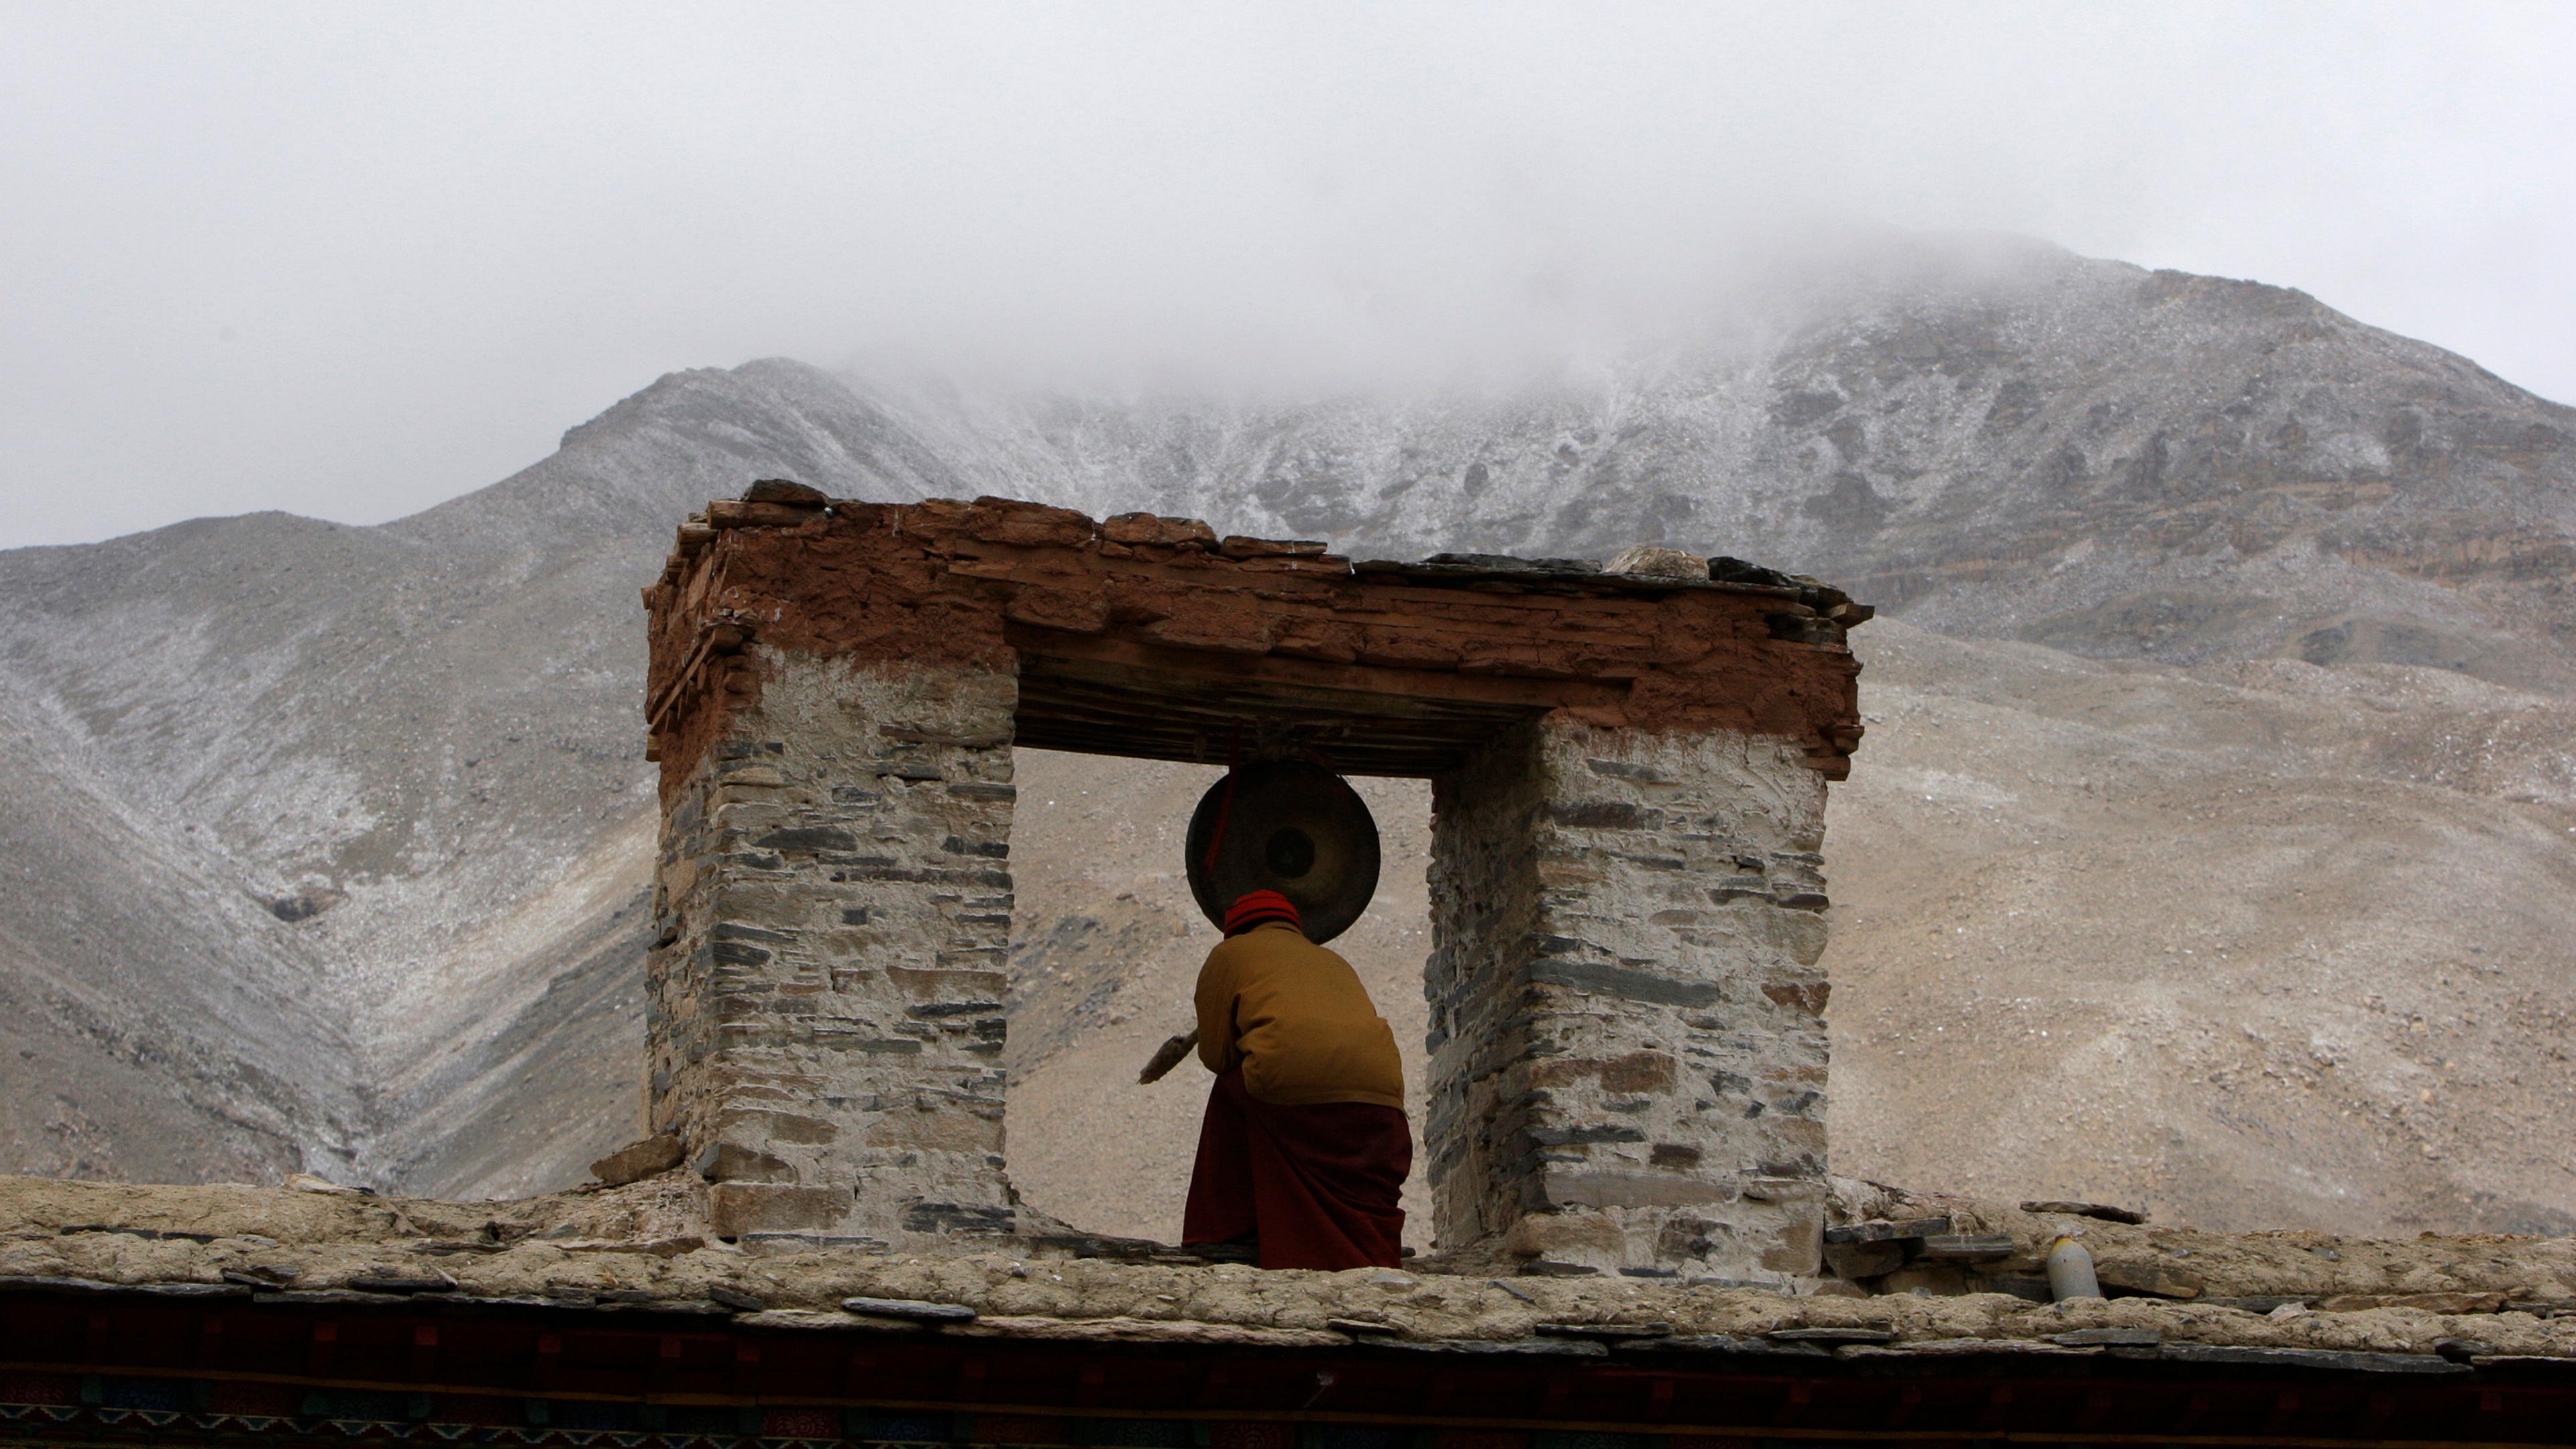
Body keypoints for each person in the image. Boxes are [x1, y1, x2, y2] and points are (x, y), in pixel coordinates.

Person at [1180, 889, 1411, 1270]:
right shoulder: (1332, 960)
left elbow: (1216, 1056)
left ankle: (1222, 1232)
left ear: (1233, 929)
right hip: (1381, 1106)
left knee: (1231, 1088)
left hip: (1290, 1098)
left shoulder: (1229, 955)